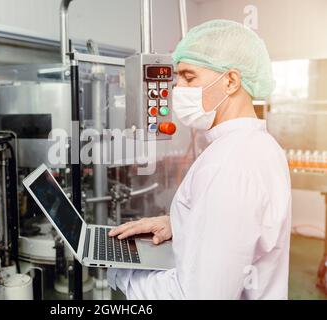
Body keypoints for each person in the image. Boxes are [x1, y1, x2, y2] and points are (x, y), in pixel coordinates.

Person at [107, 19, 292, 300]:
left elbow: (197, 296)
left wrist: (120, 271)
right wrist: (179, 224)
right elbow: (244, 232)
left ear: (230, 81)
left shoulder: (229, 165)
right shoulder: (260, 146)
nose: (176, 88)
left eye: (188, 77)